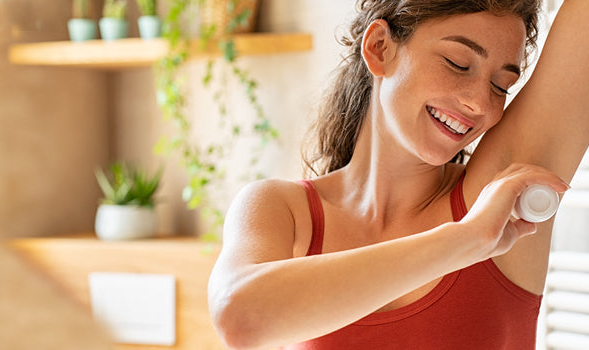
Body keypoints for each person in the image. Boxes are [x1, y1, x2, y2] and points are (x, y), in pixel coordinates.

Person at [207, 0, 589, 349]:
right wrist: (466, 239)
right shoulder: (282, 210)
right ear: (379, 48)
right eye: (458, 63)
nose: (479, 103)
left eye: (500, 86)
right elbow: (239, 317)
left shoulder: (497, 195)